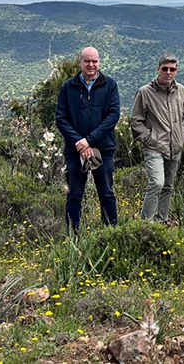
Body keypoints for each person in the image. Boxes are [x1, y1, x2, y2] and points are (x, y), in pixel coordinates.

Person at [55, 46, 120, 231]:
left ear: (99, 62)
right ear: (80, 62)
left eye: (95, 61)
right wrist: (79, 142)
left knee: (106, 193)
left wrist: (89, 141)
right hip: (75, 150)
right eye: (87, 61)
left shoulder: (110, 85)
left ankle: (110, 234)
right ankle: (73, 235)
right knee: (74, 195)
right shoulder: (68, 87)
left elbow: (113, 116)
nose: (91, 65)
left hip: (103, 148)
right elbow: (61, 118)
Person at [131, 54, 184, 223]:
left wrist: (183, 132)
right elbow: (136, 121)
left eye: (172, 69)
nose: (168, 72)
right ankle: (146, 225)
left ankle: (161, 222)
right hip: (154, 146)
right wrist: (149, 139)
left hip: (175, 146)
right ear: (158, 69)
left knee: (168, 187)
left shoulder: (181, 90)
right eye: (165, 69)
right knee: (157, 183)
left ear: (176, 71)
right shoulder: (145, 92)